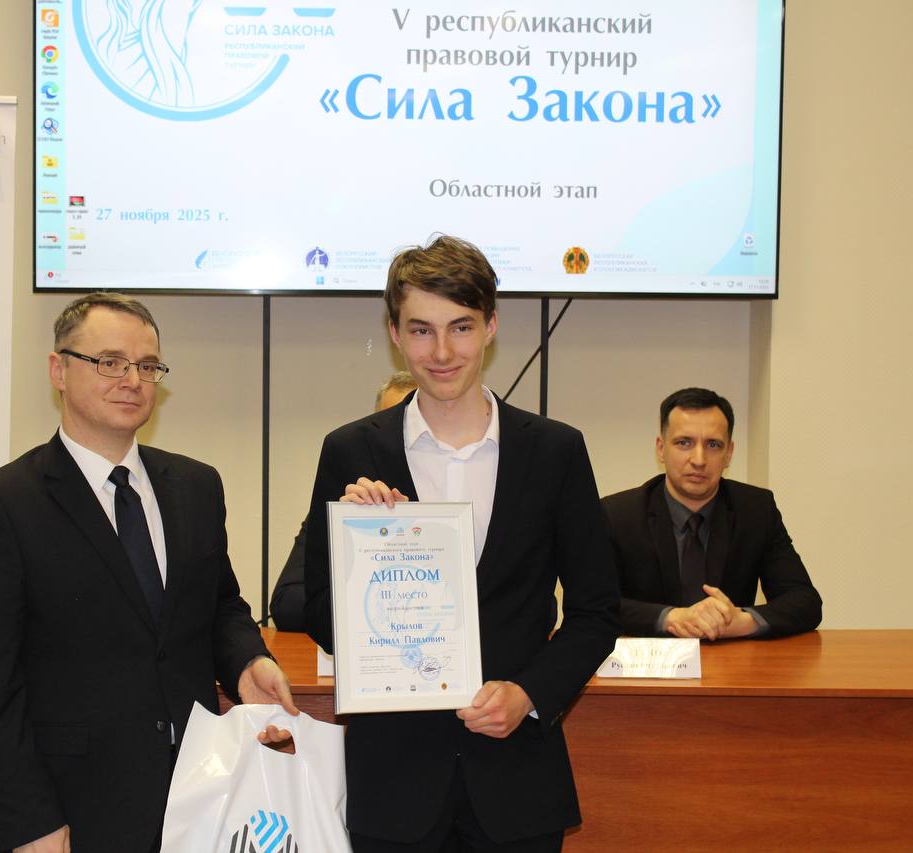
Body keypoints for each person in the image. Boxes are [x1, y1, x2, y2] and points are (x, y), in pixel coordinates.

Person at [0, 293, 295, 853]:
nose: (132, 380)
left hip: (198, 794)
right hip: (71, 809)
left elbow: (219, 605)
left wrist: (247, 662)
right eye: (110, 362)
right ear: (59, 370)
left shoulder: (196, 486)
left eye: (147, 365)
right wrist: (30, 821)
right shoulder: (1, 505)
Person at [304, 235, 620, 851]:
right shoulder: (350, 452)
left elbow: (597, 612)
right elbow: (316, 608)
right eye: (421, 330)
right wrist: (361, 552)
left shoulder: (555, 451)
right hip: (393, 783)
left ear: (491, 326)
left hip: (517, 782)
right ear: (395, 334)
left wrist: (529, 695)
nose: (443, 352)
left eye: (461, 327)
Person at [601, 387, 822, 640]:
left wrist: (743, 621)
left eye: (713, 445)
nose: (699, 460)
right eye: (684, 443)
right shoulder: (618, 515)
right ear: (661, 449)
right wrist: (671, 618)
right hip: (651, 662)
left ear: (729, 453)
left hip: (731, 659)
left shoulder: (756, 510)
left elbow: (805, 601)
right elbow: (596, 604)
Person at [269, 370, 417, 631]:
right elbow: (287, 603)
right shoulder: (354, 506)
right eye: (390, 422)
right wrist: (351, 540)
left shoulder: (460, 504)